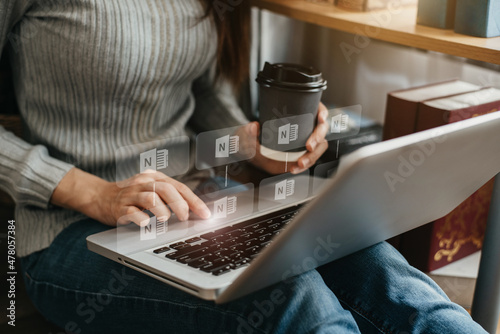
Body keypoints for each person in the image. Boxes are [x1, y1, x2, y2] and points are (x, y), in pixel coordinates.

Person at [0, 1, 487, 333]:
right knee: (297, 301)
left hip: (203, 203)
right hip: (68, 231)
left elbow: (207, 95)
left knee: (388, 276)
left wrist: (259, 143)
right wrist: (93, 192)